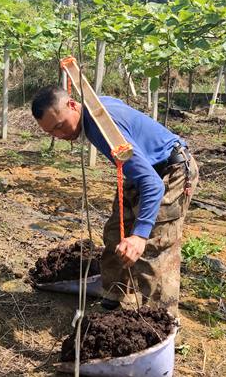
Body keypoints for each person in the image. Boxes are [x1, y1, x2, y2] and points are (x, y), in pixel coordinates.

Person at [31, 85, 199, 316]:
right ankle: (114, 296)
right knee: (115, 234)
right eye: (51, 133)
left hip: (170, 171)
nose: (59, 136)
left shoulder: (102, 127)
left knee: (152, 250)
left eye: (60, 126)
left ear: (72, 105)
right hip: (144, 170)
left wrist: (140, 236)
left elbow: (153, 184)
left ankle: (162, 325)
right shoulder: (94, 108)